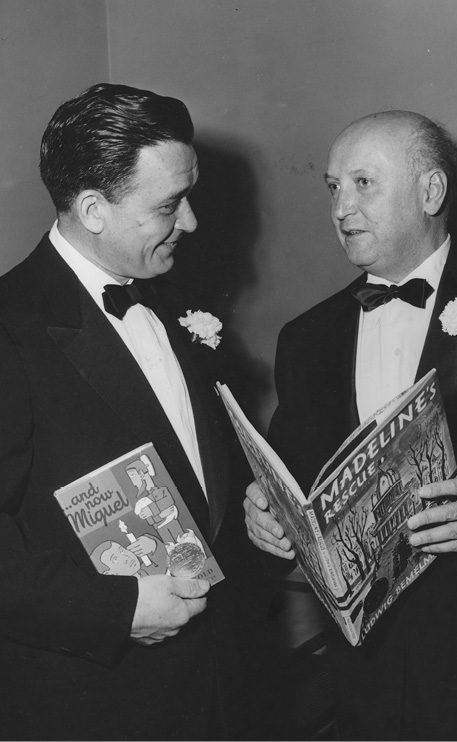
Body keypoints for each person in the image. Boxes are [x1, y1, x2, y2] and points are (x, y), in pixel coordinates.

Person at [245, 110, 457, 740]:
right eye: (332, 186)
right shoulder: (306, 339)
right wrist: (266, 512)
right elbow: (294, 477)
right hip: (363, 680)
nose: (340, 207)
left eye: (363, 183)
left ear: (431, 192)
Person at [0, 83, 270, 741]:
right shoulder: (11, 328)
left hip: (214, 691)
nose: (194, 223)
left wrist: (251, 507)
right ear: (92, 209)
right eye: (170, 206)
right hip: (93, 707)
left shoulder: (172, 299)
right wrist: (115, 610)